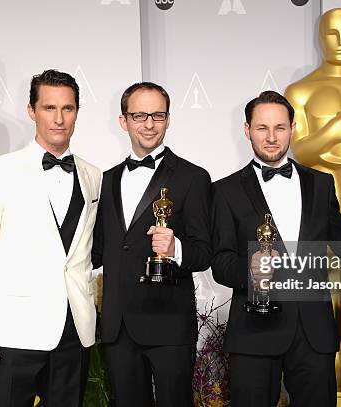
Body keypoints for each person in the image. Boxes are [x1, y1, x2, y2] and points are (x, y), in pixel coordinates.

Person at [0, 70, 102, 407]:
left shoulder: (92, 174)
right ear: (31, 110)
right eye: (49, 108)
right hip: (12, 331)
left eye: (67, 109)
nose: (58, 118)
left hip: (74, 331)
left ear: (77, 112)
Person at [211, 90, 341, 407]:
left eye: (280, 127)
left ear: (293, 128)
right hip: (254, 329)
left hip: (313, 331)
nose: (272, 137)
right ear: (247, 130)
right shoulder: (224, 191)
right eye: (262, 128)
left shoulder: (321, 183)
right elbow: (220, 263)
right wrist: (249, 269)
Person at [91, 82, 212, 407]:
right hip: (119, 326)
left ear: (168, 119)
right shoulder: (106, 179)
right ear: (123, 120)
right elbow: (97, 250)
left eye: (157, 115)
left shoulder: (193, 177)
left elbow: (204, 252)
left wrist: (177, 249)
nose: (148, 123)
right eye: (140, 115)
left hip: (169, 323)